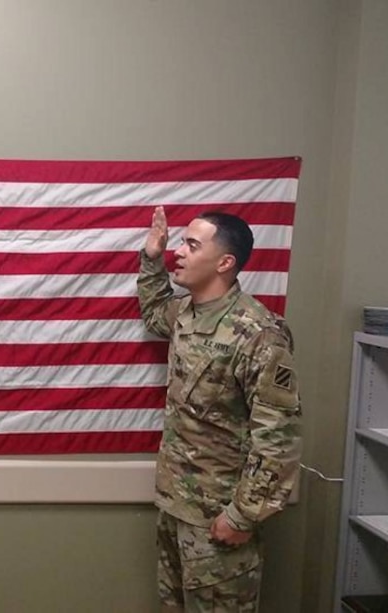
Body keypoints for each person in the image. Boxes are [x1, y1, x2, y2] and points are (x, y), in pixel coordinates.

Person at [138, 207, 303, 612]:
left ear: (225, 262)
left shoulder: (258, 332)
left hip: (219, 519)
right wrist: (152, 257)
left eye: (191, 245)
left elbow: (278, 438)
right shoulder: (185, 313)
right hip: (176, 506)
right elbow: (154, 309)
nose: (180, 251)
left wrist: (243, 516)